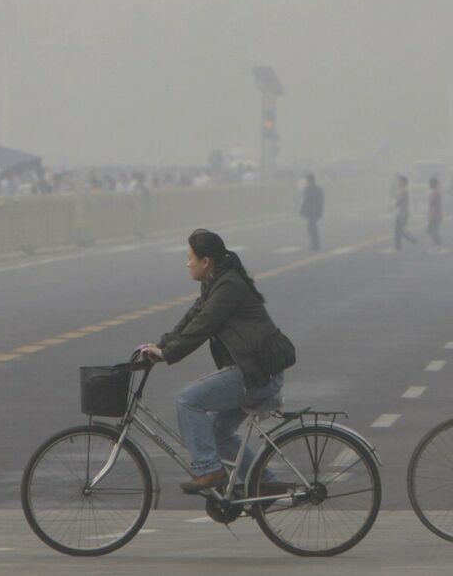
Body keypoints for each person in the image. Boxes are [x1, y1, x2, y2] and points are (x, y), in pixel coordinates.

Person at [137, 229, 294, 494]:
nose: (187, 263)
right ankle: (266, 484)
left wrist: (169, 354)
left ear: (206, 261)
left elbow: (205, 324)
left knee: (187, 400)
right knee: (217, 433)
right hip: (254, 372)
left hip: (257, 375)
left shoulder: (229, 286)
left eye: (190, 258)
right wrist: (162, 345)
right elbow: (193, 317)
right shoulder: (215, 283)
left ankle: (210, 471)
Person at [300, 173, 324, 251]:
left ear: (309, 180)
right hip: (316, 211)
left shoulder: (308, 189)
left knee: (311, 227)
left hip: (311, 211)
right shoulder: (318, 189)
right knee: (312, 227)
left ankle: (315, 244)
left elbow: (305, 201)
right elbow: (321, 201)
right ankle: (316, 243)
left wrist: (302, 211)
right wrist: (320, 211)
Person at [392, 174, 417, 250]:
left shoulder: (404, 191)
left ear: (404, 182)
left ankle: (411, 240)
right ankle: (401, 245)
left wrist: (392, 207)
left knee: (399, 231)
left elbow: (399, 201)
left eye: (401, 181)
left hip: (403, 214)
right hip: (403, 213)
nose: (399, 182)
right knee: (400, 231)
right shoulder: (403, 190)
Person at [427, 176, 444, 248]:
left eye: (430, 183)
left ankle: (438, 244)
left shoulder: (436, 192)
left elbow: (433, 203)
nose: (429, 185)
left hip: (435, 215)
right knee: (431, 230)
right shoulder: (434, 192)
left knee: (433, 230)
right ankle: (436, 244)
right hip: (434, 214)